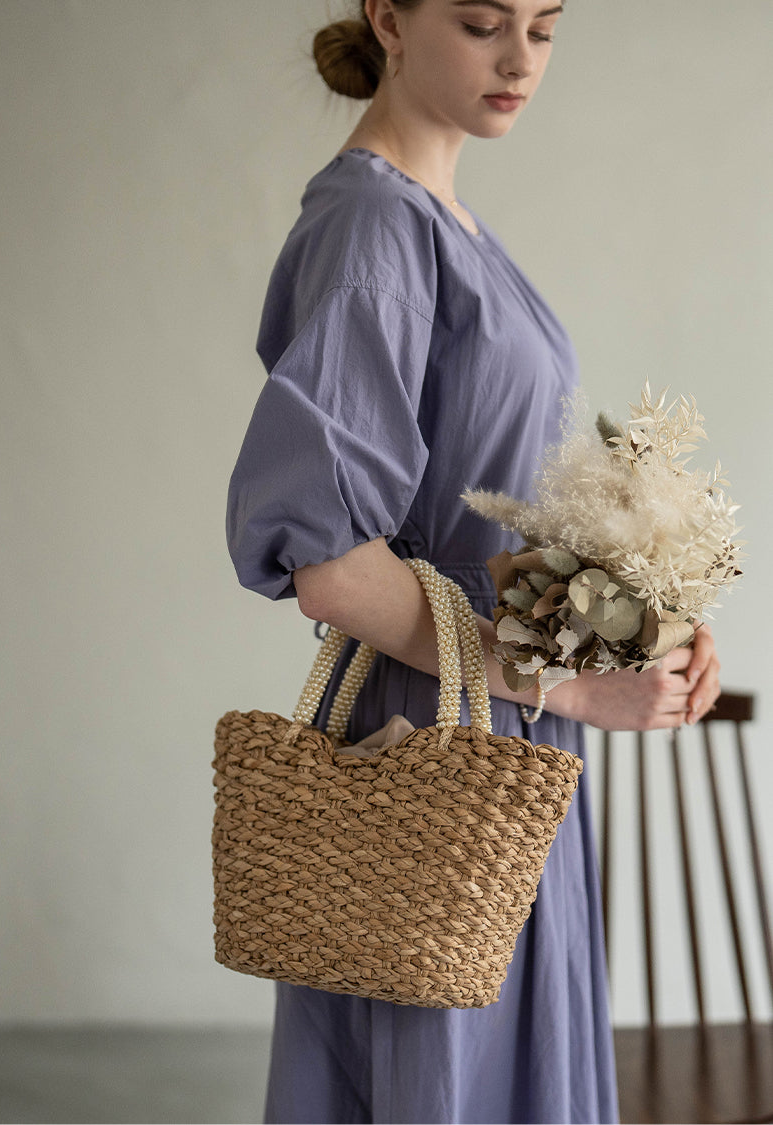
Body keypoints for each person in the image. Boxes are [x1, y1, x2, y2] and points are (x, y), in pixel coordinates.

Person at [226, 1, 722, 1121]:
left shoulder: (444, 219)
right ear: (388, 18)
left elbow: (491, 516)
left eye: (544, 28)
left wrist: (639, 621)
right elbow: (331, 566)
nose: (519, 59)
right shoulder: (374, 226)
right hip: (436, 750)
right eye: (483, 20)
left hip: (501, 737)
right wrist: (567, 684)